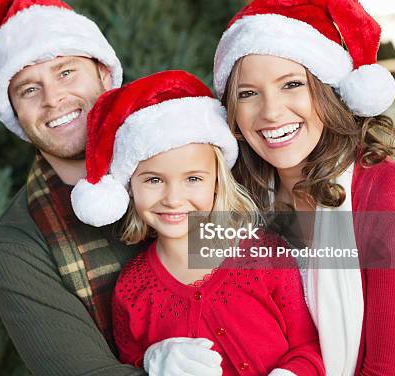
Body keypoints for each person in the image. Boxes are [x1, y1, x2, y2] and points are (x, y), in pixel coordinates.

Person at [213, 0, 395, 375]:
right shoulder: (237, 202)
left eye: (292, 85)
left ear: (329, 93)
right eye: (248, 93)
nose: (270, 112)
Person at [0, 0, 144, 375]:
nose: (53, 98)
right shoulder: (16, 246)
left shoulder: (183, 166)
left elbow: (275, 262)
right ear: (14, 115)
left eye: (66, 72)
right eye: (29, 89)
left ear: (104, 74)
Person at [71, 70, 325, 376]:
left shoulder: (266, 255)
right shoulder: (131, 291)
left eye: (193, 179)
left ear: (217, 183)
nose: (173, 198)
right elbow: (132, 363)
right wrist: (151, 360)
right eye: (154, 180)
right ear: (129, 187)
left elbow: (309, 346)